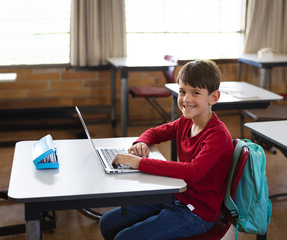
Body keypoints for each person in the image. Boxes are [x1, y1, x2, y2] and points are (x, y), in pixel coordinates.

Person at [99, 60, 234, 240]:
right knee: (107, 223)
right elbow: (154, 132)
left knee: (124, 238)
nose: (186, 99)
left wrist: (140, 163)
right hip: (177, 196)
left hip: (197, 213)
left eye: (195, 93)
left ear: (213, 97)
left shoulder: (217, 135)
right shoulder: (185, 121)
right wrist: (142, 142)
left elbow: (193, 171)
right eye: (182, 91)